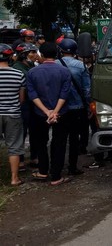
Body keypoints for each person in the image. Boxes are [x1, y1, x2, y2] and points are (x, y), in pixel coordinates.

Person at [27, 42, 73, 186]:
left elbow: (32, 94)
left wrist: (46, 111)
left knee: (41, 142)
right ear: (56, 54)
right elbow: (64, 93)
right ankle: (56, 176)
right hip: (61, 113)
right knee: (58, 143)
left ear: (41, 54)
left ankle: (42, 171)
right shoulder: (64, 71)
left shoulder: (32, 72)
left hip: (40, 114)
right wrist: (55, 111)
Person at [58, 38, 90, 175]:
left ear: (61, 51)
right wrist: (88, 106)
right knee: (74, 138)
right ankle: (72, 167)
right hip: (77, 108)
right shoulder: (80, 66)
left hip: (58, 109)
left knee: (58, 139)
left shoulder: (54, 65)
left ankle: (56, 169)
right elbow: (87, 89)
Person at [0, 43, 27, 186]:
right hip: (13, 114)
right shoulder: (18, 74)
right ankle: (14, 178)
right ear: (10, 56)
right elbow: (21, 99)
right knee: (14, 147)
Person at [12, 43, 38, 169]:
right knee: (21, 132)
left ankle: (34, 157)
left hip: (33, 103)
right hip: (23, 104)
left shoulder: (31, 65)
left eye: (34, 52)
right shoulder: (18, 67)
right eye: (31, 52)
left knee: (34, 132)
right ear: (24, 55)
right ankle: (20, 160)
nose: (34, 55)